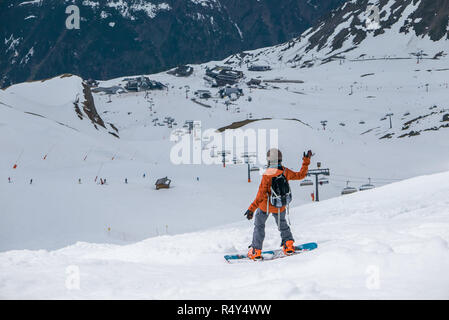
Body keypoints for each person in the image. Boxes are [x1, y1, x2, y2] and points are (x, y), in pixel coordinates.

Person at [244, 148, 312, 260]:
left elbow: (260, 195)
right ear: (280, 159)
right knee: (283, 225)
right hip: (280, 206)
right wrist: (306, 161)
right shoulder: (285, 171)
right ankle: (288, 245)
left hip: (265, 207)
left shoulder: (267, 175)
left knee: (259, 226)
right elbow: (300, 175)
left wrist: (251, 209)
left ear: (269, 160)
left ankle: (256, 251)